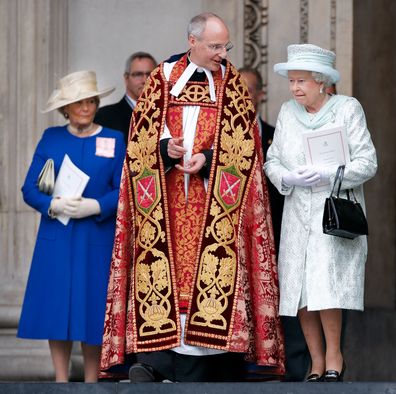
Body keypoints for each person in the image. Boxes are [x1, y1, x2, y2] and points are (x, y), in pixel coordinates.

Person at [100, 13, 285, 383]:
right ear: (192, 41)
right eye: (215, 46)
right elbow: (139, 142)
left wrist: (208, 160)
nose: (222, 53)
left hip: (215, 207)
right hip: (166, 206)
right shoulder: (162, 80)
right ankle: (157, 363)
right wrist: (166, 148)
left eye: (225, 46)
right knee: (163, 285)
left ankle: (196, 371)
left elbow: (247, 146)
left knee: (213, 286)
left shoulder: (232, 84)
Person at [264, 44, 377, 382]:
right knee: (299, 289)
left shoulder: (346, 109)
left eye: (302, 81)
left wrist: (332, 174)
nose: (295, 87)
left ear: (322, 81)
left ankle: (334, 358)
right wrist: (287, 176)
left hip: (333, 210)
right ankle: (314, 363)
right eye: (292, 81)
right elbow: (273, 161)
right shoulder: (287, 112)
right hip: (298, 211)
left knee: (326, 286)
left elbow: (368, 162)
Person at [17, 70, 126, 382]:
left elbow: (124, 189)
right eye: (79, 103)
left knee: (92, 308)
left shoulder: (113, 139)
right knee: (57, 308)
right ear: (66, 108)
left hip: (96, 235)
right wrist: (52, 205)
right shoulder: (52, 138)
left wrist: (97, 205)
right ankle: (60, 380)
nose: (86, 108)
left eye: (91, 101)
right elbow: (30, 189)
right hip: (59, 235)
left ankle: (92, 381)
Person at [240, 67, 310, 382]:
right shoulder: (213, 140)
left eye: (249, 89)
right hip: (236, 240)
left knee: (288, 307)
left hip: (280, 235)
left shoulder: (275, 134)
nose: (243, 96)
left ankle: (289, 371)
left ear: (261, 94)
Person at [94, 51, 157, 143]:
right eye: (138, 74)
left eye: (150, 74)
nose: (145, 80)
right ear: (126, 78)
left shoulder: (167, 114)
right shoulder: (104, 117)